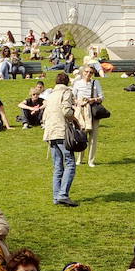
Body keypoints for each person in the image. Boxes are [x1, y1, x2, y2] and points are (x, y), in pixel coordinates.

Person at [43, 71, 78, 206]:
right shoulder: (66, 92)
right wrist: (74, 118)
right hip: (61, 132)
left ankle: (56, 196)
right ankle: (63, 194)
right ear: (67, 81)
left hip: (50, 133)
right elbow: (66, 111)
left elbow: (45, 115)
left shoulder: (50, 95)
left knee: (58, 166)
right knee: (70, 163)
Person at [72, 64, 104, 166]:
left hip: (93, 111)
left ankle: (91, 160)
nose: (88, 74)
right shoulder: (77, 83)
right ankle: (79, 159)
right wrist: (79, 102)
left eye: (90, 72)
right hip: (81, 112)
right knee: (82, 136)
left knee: (93, 137)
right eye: (86, 72)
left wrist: (93, 100)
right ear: (82, 72)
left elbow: (102, 97)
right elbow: (73, 97)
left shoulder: (95, 83)